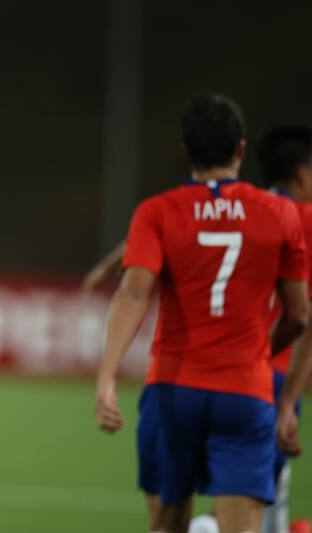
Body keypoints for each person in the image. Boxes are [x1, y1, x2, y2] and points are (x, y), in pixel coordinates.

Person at [95, 93, 312, 533]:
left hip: (174, 390)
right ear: (240, 150)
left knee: (167, 524)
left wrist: (107, 377)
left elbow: (133, 295)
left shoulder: (157, 212)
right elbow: (299, 316)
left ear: (184, 152)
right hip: (245, 391)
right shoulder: (281, 214)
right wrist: (259, 355)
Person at [190, 126, 312, 533]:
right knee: (244, 510)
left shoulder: (244, 209)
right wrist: (290, 400)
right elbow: (303, 318)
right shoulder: (303, 219)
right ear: (302, 173)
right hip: (273, 375)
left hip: (221, 373)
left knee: (260, 491)